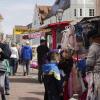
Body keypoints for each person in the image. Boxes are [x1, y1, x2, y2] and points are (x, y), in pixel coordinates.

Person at [85, 21, 100, 100]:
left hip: (96, 76)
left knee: (94, 95)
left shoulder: (93, 47)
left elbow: (89, 64)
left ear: (92, 38)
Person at [0, 34, 11, 100]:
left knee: (1, 85)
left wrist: (1, 51)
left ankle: (3, 94)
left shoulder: (5, 46)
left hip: (1, 66)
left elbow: (7, 56)